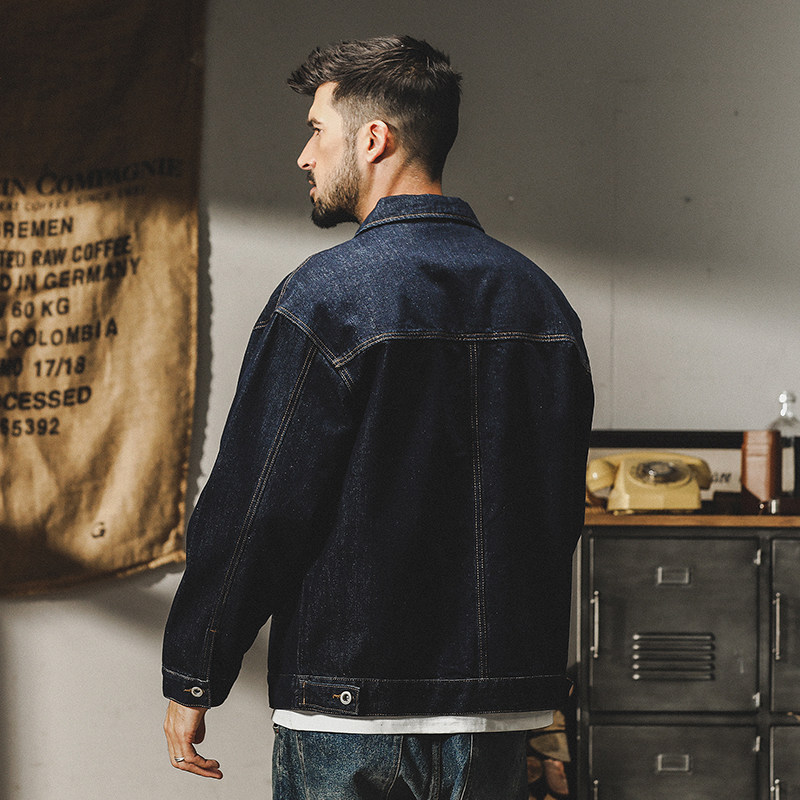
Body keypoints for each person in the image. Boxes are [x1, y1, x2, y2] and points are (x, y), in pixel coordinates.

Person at [162, 35, 593, 799]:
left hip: (347, 707)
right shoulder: (540, 301)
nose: (304, 156)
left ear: (373, 139)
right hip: (494, 715)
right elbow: (555, 514)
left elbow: (258, 504)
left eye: (315, 130)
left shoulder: (325, 296)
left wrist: (196, 669)